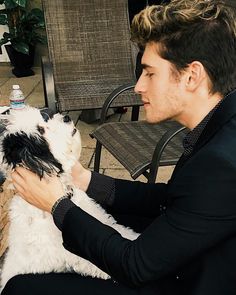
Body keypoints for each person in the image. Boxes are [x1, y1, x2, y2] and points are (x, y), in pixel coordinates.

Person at [2, 0, 236, 294]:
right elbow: (175, 199)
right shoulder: (220, 123)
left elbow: (136, 266)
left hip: (191, 280)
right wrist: (84, 179)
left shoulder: (222, 163)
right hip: (192, 247)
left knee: (21, 288)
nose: (138, 86)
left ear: (191, 76)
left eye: (149, 73)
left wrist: (56, 205)